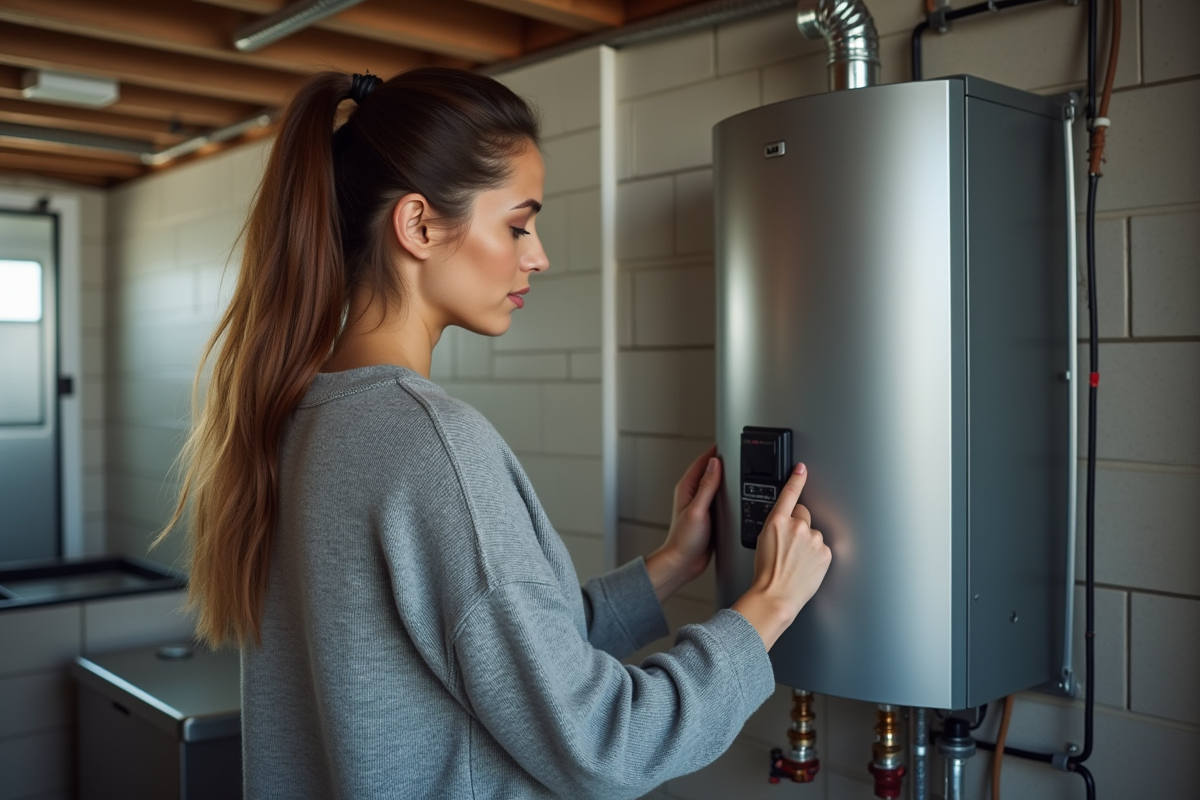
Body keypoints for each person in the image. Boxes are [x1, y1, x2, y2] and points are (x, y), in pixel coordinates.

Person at [165, 68, 832, 799]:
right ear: (418, 226)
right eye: (518, 224)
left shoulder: (298, 418)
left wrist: (670, 565)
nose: (537, 254)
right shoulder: (433, 446)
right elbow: (606, 744)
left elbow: (500, 656)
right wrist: (767, 606)